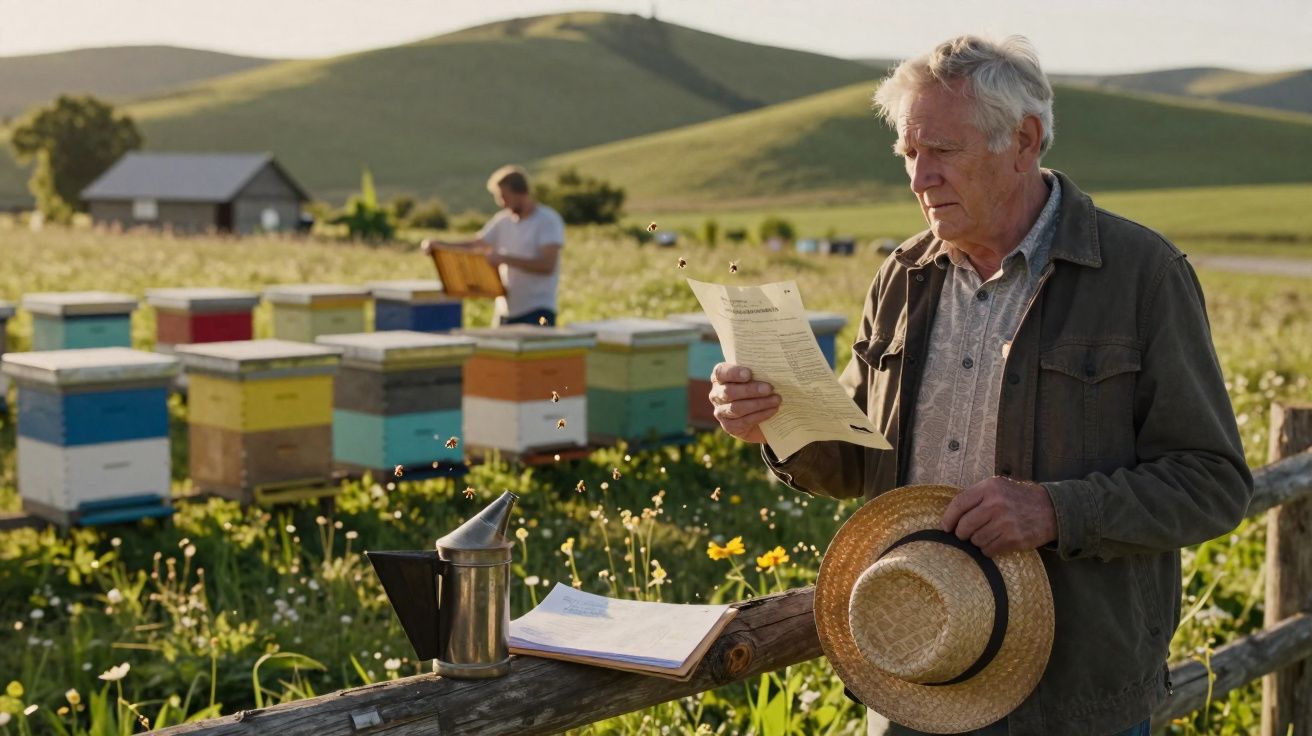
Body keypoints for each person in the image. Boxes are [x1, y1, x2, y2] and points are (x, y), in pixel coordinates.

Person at [708, 35, 1252, 736]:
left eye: (942, 150)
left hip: (1072, 697)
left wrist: (1056, 511)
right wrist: (774, 423)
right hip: (912, 665)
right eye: (909, 153)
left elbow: (1213, 483)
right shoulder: (900, 276)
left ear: (1023, 140)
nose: (918, 177)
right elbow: (852, 463)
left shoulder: (1142, 275)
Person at [421, 165, 564, 326]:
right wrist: (440, 245)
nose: (501, 203)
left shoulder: (547, 220)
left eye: (504, 196)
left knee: (537, 351)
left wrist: (504, 259)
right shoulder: (502, 221)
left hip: (539, 312)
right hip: (505, 311)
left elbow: (547, 265)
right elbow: (475, 244)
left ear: (521, 192)